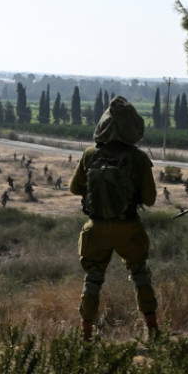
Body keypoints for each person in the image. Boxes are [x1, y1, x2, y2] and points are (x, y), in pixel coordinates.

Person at [69, 96, 159, 341]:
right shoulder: (138, 158)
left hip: (96, 228)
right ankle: (152, 330)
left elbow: (75, 188)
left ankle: (86, 333)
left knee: (93, 279)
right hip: (129, 228)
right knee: (140, 275)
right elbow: (150, 199)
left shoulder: (90, 155)